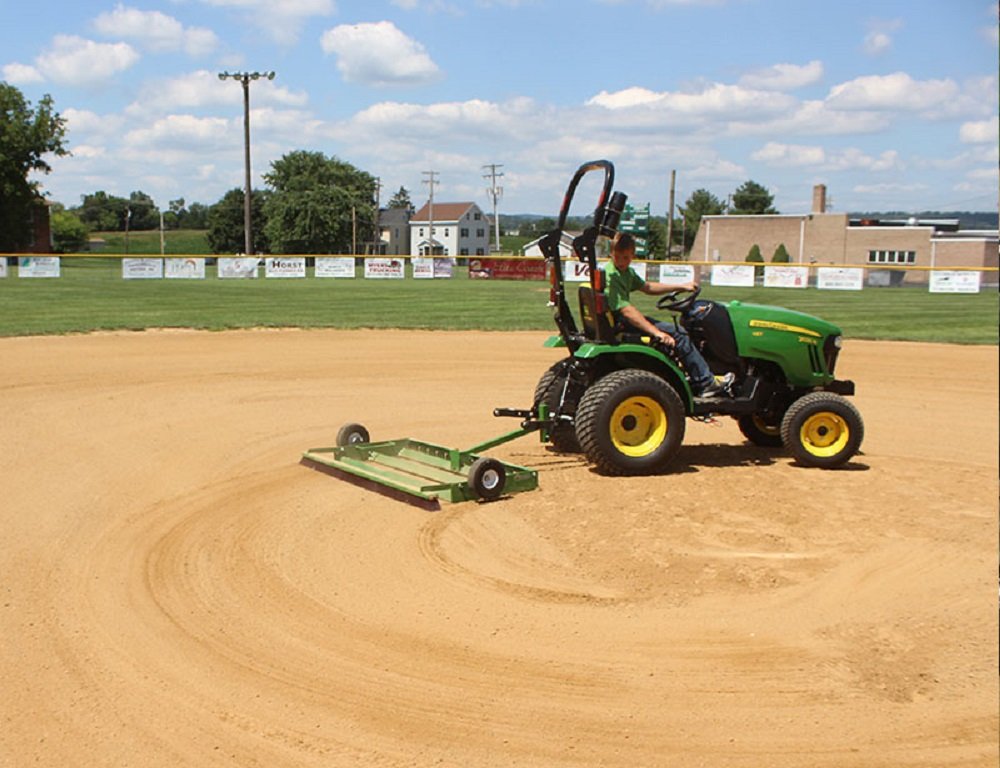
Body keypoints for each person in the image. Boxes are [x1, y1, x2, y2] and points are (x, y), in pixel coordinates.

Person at [605, 231, 732, 399]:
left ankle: (694, 375)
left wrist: (680, 287)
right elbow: (626, 310)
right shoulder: (612, 275)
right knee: (680, 334)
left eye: (626, 258)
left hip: (622, 320)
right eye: (618, 257)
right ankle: (705, 382)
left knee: (673, 331)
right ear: (611, 254)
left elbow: (648, 287)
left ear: (633, 255)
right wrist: (656, 333)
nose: (621, 262)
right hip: (623, 321)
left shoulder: (624, 272)